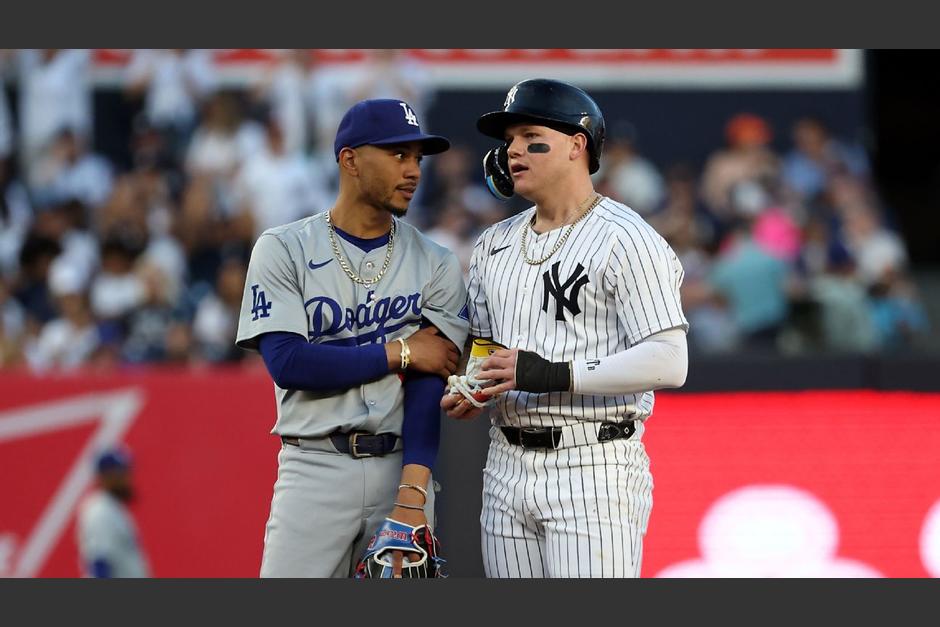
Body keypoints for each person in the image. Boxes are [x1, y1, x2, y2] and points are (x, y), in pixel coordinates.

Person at [442, 79, 689, 578]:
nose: (512, 150)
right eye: (507, 140)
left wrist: (552, 373)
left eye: (530, 136)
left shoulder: (627, 238)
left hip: (593, 463)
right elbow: (486, 344)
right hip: (506, 462)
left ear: (577, 145)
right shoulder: (493, 245)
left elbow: (670, 360)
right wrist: (474, 385)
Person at [235, 98, 469, 577]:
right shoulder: (283, 248)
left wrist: (413, 494)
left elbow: (429, 382)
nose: (413, 171)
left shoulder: (437, 262)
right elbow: (289, 363)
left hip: (400, 469)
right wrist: (401, 352)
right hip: (313, 466)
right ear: (350, 159)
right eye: (397, 155)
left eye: (417, 158)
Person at [76, 446, 151, 578]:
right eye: (122, 472)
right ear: (106, 477)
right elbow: (100, 564)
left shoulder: (113, 509)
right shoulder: (99, 512)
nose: (128, 478)